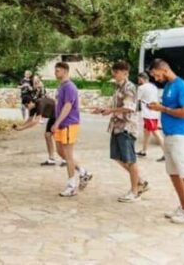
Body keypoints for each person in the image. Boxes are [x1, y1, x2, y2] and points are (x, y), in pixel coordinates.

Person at [148, 59, 184, 224]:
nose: (156, 79)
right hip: (169, 134)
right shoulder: (168, 86)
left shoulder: (182, 86)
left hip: (182, 135)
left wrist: (162, 109)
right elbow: (170, 107)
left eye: (156, 75)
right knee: (174, 173)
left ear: (163, 69)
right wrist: (160, 106)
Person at [93, 61, 149, 203]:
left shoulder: (129, 87)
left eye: (116, 72)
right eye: (114, 71)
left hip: (126, 127)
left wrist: (111, 110)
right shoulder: (118, 87)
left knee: (130, 160)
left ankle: (135, 192)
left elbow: (129, 107)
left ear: (125, 73)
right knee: (118, 157)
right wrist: (104, 110)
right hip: (117, 126)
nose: (114, 74)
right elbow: (116, 105)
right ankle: (141, 181)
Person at [51, 62, 92, 197]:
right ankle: (83, 171)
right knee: (60, 152)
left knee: (68, 156)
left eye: (57, 71)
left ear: (64, 71)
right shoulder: (61, 86)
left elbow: (68, 106)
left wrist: (57, 122)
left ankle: (71, 186)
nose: (55, 73)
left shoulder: (69, 87)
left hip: (69, 124)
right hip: (61, 125)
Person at [14, 93, 59, 166]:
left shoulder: (40, 103)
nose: (26, 108)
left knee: (58, 137)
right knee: (47, 135)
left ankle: (65, 159)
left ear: (30, 102)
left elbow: (36, 121)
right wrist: (19, 127)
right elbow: (30, 119)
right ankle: (51, 159)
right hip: (52, 117)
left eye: (26, 106)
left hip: (59, 115)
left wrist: (21, 128)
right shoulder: (32, 107)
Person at [136, 72, 165, 162]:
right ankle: (144, 151)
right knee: (146, 132)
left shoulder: (141, 88)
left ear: (141, 79)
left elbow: (137, 99)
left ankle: (166, 153)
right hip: (155, 112)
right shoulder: (153, 86)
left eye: (139, 79)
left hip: (148, 114)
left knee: (155, 132)